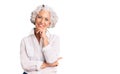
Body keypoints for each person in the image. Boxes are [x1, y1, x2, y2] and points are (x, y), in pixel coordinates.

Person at [20, 5, 61, 74]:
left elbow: (51, 60)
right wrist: (48, 65)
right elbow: (25, 65)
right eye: (39, 17)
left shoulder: (55, 39)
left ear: (49, 23)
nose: (42, 21)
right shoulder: (25, 40)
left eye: (46, 19)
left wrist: (44, 38)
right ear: (35, 18)